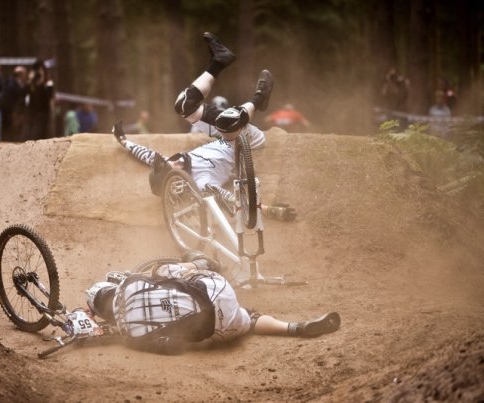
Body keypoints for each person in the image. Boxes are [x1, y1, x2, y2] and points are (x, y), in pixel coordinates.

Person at [112, 32, 295, 222]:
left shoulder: (173, 165)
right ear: (177, 183)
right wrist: (270, 211)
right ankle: (258, 98)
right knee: (226, 121)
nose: (173, 161)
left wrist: (123, 141)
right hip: (244, 142)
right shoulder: (202, 183)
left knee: (183, 105)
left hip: (222, 135)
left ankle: (219, 61)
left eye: (168, 163)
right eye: (171, 166)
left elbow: (147, 155)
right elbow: (233, 200)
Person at [85, 251, 341, 354]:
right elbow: (167, 273)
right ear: (110, 289)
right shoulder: (132, 282)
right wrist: (193, 268)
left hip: (218, 325)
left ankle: (294, 328)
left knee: (249, 319)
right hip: (217, 287)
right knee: (175, 272)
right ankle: (203, 260)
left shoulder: (131, 337)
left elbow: (174, 348)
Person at [24, 59, 55, 140]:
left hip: (43, 112)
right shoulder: (32, 82)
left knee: (39, 134)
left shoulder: (48, 82)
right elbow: (25, 92)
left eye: (40, 69)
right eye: (37, 69)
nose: (38, 72)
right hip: (32, 111)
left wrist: (41, 82)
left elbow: (48, 96)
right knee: (30, 135)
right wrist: (30, 80)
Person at [0, 65, 28, 142]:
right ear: (21, 74)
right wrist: (14, 114)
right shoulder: (12, 84)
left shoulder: (15, 82)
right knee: (10, 134)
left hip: (12, 113)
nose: (26, 76)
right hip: (11, 113)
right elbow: (9, 100)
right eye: (25, 74)